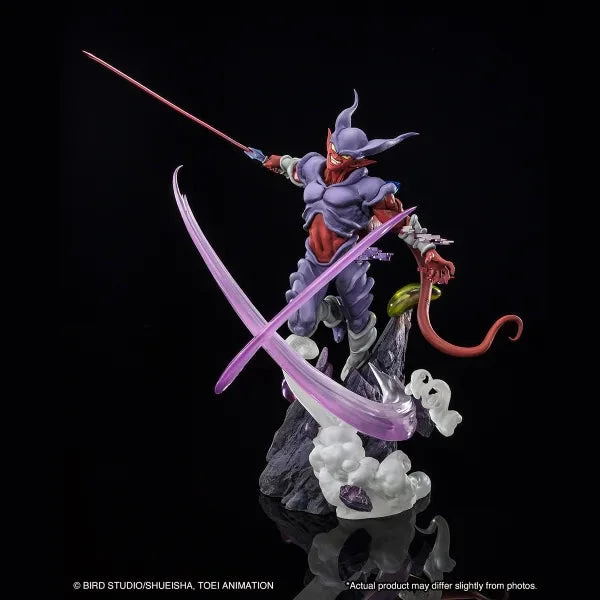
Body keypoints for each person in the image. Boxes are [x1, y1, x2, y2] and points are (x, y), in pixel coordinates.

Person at [246, 91, 455, 380]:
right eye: (334, 148)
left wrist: (429, 251)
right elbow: (291, 167)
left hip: (349, 257)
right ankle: (332, 313)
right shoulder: (313, 167)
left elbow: (402, 223)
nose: (335, 156)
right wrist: (266, 159)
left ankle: (356, 351)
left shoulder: (367, 188)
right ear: (329, 141)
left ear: (357, 161)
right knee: (301, 322)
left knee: (358, 320)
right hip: (315, 258)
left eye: (344, 155)